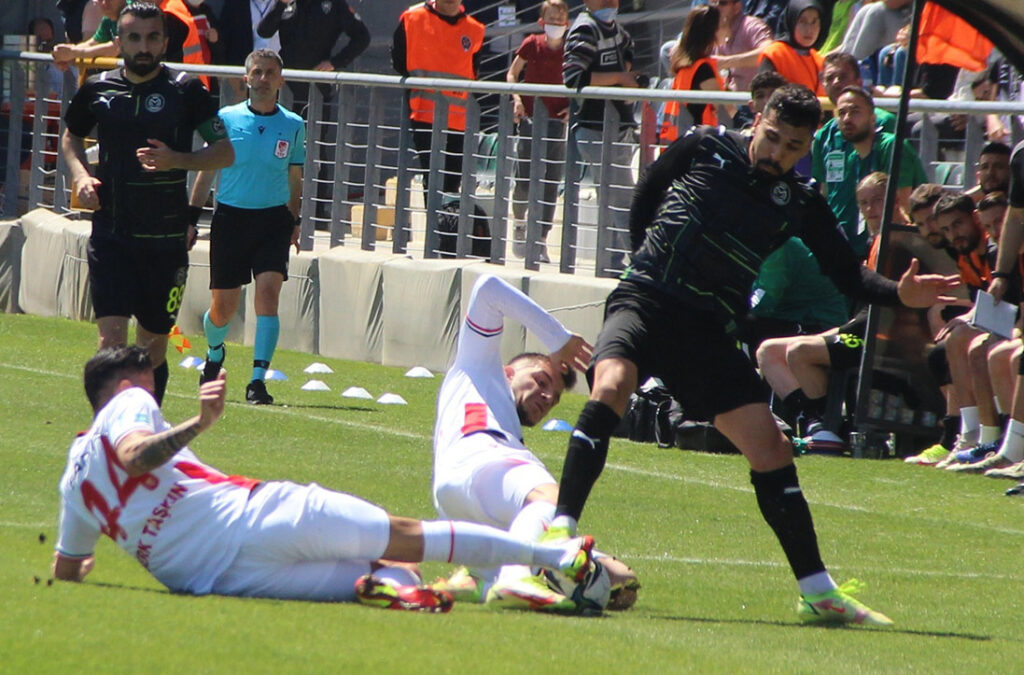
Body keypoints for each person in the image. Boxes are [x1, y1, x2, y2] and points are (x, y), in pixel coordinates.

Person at [543, 85, 960, 626]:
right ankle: (558, 534)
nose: (778, 154)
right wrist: (643, 258)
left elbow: (845, 271)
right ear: (757, 120)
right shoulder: (704, 145)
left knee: (772, 447)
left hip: (708, 330)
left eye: (793, 146)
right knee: (612, 385)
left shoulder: (800, 200)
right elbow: (647, 195)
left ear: (807, 145)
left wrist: (897, 295)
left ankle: (818, 592)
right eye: (772, 138)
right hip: (646, 299)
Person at [52, 346, 600, 612]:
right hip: (256, 517)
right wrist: (199, 422)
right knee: (407, 534)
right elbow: (132, 456)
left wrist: (92, 559)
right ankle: (556, 558)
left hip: (210, 578)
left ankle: (400, 588)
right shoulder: (125, 404)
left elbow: (68, 566)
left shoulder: (72, 481)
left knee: (387, 573)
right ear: (124, 384)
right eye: (150, 387)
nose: (153, 397)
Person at [428, 275, 637, 612]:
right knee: (555, 500)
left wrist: (597, 563)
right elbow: (488, 288)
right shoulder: (480, 366)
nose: (546, 396)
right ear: (509, 371)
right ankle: (515, 576)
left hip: (455, 499)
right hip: (483, 458)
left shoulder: (506, 426)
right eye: (541, 381)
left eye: (554, 398)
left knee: (617, 575)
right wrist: (558, 339)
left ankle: (481, 577)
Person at [60, 3, 234, 406]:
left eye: (152, 37)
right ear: (118, 41)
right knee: (111, 341)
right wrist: (81, 174)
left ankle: (148, 424)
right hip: (111, 234)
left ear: (165, 42)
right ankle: (110, 433)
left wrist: (179, 160)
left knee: (152, 345)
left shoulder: (186, 91)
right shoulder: (98, 89)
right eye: (134, 37)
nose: (143, 46)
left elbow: (224, 152)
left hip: (165, 240)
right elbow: (70, 138)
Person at [188, 49, 304, 405]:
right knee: (223, 307)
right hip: (231, 219)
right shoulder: (226, 118)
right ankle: (215, 351)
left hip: (272, 220)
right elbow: (207, 171)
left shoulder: (293, 124)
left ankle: (257, 380)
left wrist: (294, 220)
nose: (264, 79)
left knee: (268, 294)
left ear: (280, 80)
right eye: (258, 72)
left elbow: (295, 176)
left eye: (271, 73)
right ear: (246, 78)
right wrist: (191, 218)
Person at [391, 0, 485, 253]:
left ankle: (447, 240)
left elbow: (474, 70)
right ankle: (438, 242)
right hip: (423, 113)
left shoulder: (475, 29)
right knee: (434, 180)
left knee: (451, 183)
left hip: (458, 118)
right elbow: (399, 61)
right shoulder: (412, 18)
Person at [562, 0, 642, 276]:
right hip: (596, 128)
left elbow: (627, 54)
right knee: (622, 200)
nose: (610, 2)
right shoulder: (585, 29)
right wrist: (620, 78)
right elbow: (573, 76)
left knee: (612, 198)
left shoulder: (616, 30)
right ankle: (643, 266)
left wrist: (626, 77)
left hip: (616, 127)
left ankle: (610, 265)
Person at [811, 85, 926, 258]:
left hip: (894, 251)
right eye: (841, 113)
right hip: (849, 251)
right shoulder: (847, 156)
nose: (847, 118)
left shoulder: (891, 147)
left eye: (855, 111)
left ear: (873, 119)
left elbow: (903, 209)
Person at [507, 0, 571, 264]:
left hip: (557, 121)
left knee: (551, 181)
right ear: (542, 21)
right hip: (531, 118)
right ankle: (520, 222)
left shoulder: (572, 49)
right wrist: (518, 99)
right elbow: (513, 74)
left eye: (560, 19)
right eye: (551, 19)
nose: (556, 23)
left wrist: (572, 106)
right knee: (524, 177)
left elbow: (581, 80)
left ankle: (542, 238)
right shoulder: (532, 43)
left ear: (567, 22)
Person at [256, 0, 369, 110]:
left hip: (315, 85)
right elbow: (264, 31)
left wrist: (335, 62)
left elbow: (362, 37)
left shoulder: (334, 4)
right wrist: (280, 5)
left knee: (313, 126)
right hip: (285, 83)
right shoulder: (287, 4)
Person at [660, 4, 734, 142]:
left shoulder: (685, 65)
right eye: (723, 23)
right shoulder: (703, 70)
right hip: (697, 145)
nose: (728, 27)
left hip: (678, 144)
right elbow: (727, 109)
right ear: (712, 31)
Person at [710, 0, 773, 116]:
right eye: (713, 2)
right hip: (728, 104)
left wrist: (725, 62)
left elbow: (768, 52)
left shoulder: (752, 25)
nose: (716, 7)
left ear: (737, 7)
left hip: (753, 104)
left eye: (722, 3)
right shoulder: (713, 29)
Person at [758, 0, 825, 96]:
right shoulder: (775, 54)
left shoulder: (819, 60)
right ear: (792, 21)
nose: (809, 29)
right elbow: (764, 96)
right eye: (802, 21)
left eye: (814, 22)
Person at [819, 51, 896, 134]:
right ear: (823, 84)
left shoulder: (884, 122)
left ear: (859, 82)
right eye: (829, 78)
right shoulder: (824, 135)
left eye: (843, 77)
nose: (836, 83)